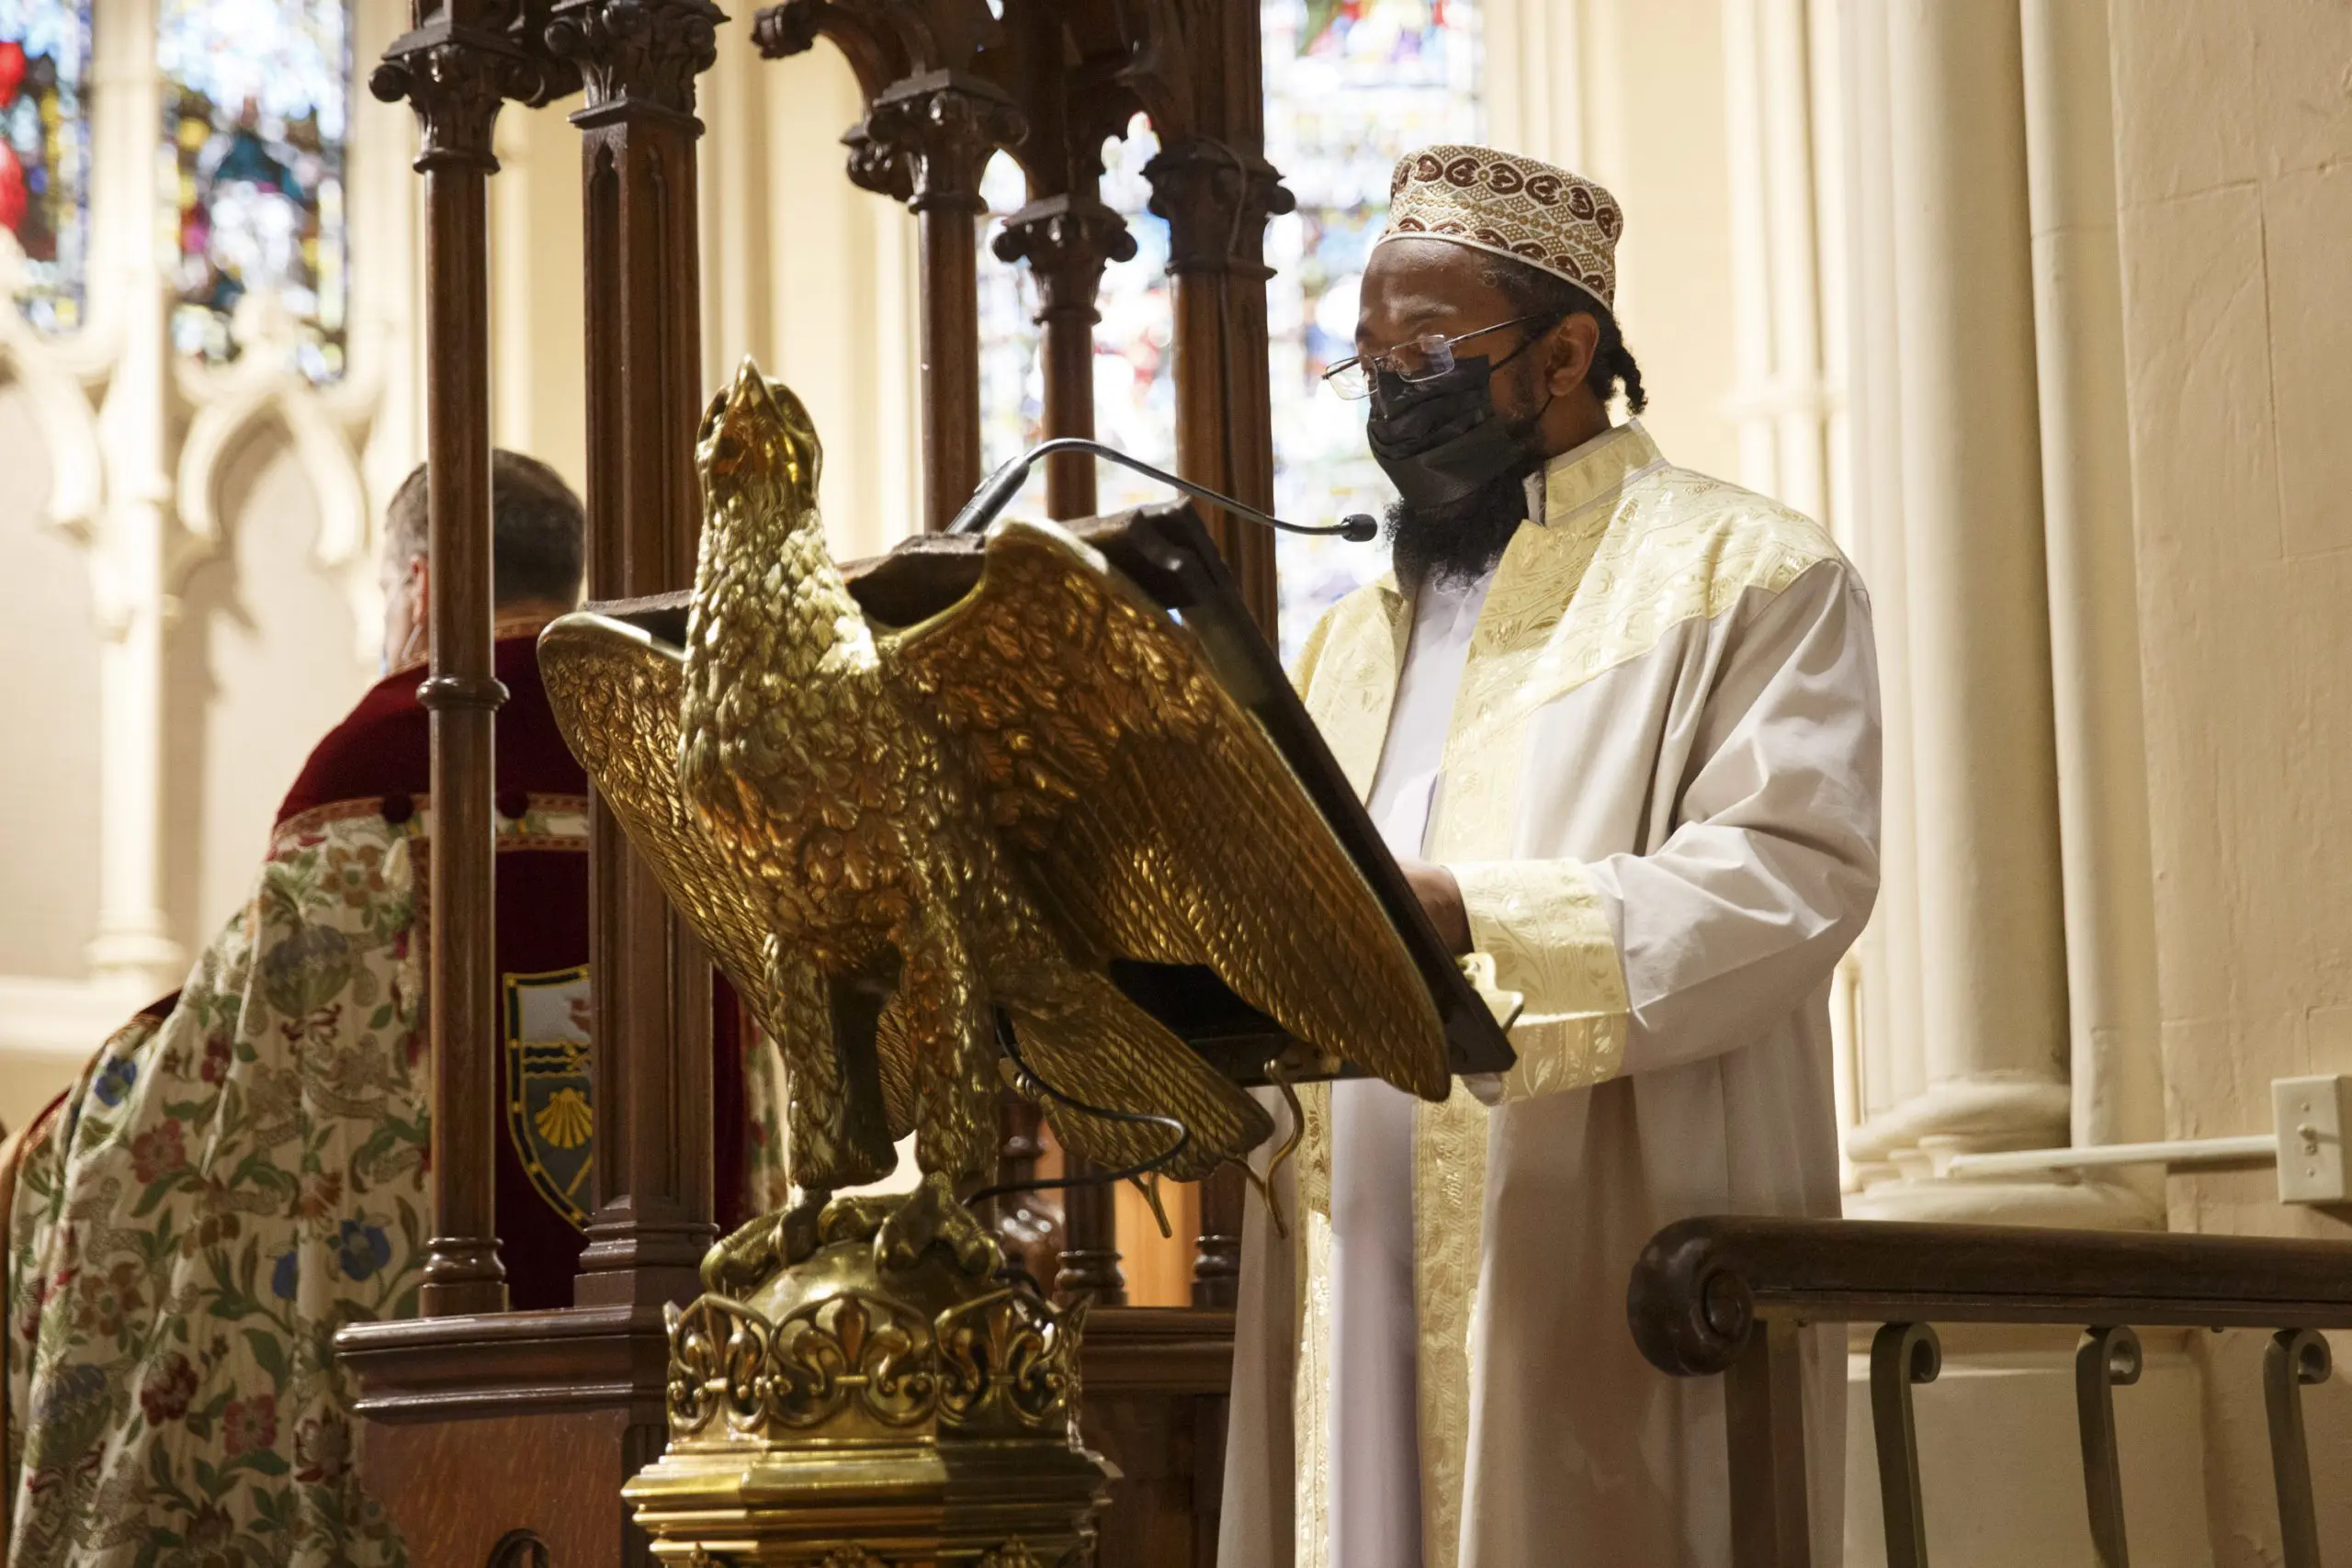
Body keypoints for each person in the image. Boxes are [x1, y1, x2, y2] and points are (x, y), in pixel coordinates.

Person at [1218, 146, 1882, 1568]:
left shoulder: (1747, 573)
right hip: (1352, 1236)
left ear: (1568, 351)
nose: (1394, 391)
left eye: (1429, 349)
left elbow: (1789, 876)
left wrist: (1474, 915)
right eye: (1370, 361)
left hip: (1596, 1220)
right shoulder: (1340, 643)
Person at [0, 454, 786, 1565]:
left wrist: (70, 1124)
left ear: (417, 588)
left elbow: (235, 1076)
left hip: (424, 1426)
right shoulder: (672, 766)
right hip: (671, 1397)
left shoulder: (371, 772)